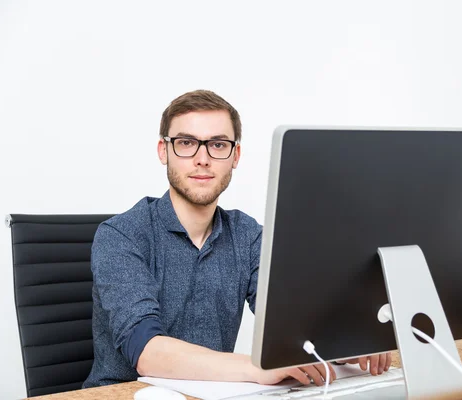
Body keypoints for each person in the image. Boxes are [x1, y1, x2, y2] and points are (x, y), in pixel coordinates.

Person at [83, 89, 392, 388]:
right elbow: (147, 352)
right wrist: (254, 367)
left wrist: (350, 338)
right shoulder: (122, 236)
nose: (202, 158)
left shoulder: (247, 235)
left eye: (217, 145)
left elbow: (295, 319)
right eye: (187, 143)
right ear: (164, 151)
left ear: (235, 155)